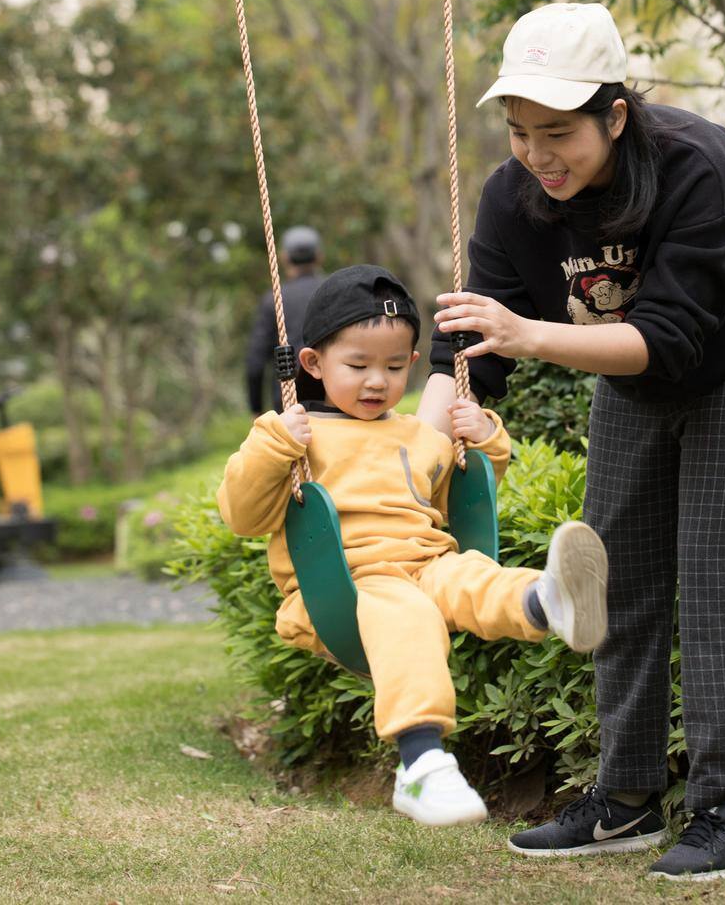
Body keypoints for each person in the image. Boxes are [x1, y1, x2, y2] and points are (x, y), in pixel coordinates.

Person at [419, 3, 725, 879]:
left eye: (559, 132)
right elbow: (470, 354)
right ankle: (625, 800)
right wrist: (416, 455)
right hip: (629, 366)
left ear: (616, 114)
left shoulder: (699, 164)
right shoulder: (512, 198)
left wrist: (528, 334)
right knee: (612, 570)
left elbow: (667, 340)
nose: (538, 155)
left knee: (715, 575)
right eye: (520, 132)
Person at [218, 264, 610, 827]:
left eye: (396, 366)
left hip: (425, 564)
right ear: (313, 364)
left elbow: (464, 496)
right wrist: (274, 446)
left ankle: (549, 601)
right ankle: (421, 763)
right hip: (344, 589)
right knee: (405, 611)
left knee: (473, 576)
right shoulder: (294, 435)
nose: (378, 381)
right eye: (358, 366)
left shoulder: (416, 435)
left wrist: (486, 441)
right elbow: (242, 514)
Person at [245, 225, 326, 416]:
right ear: (319, 256)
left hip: (289, 400)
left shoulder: (274, 299)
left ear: (284, 257)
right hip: (334, 393)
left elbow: (255, 362)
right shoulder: (334, 290)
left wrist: (256, 409)